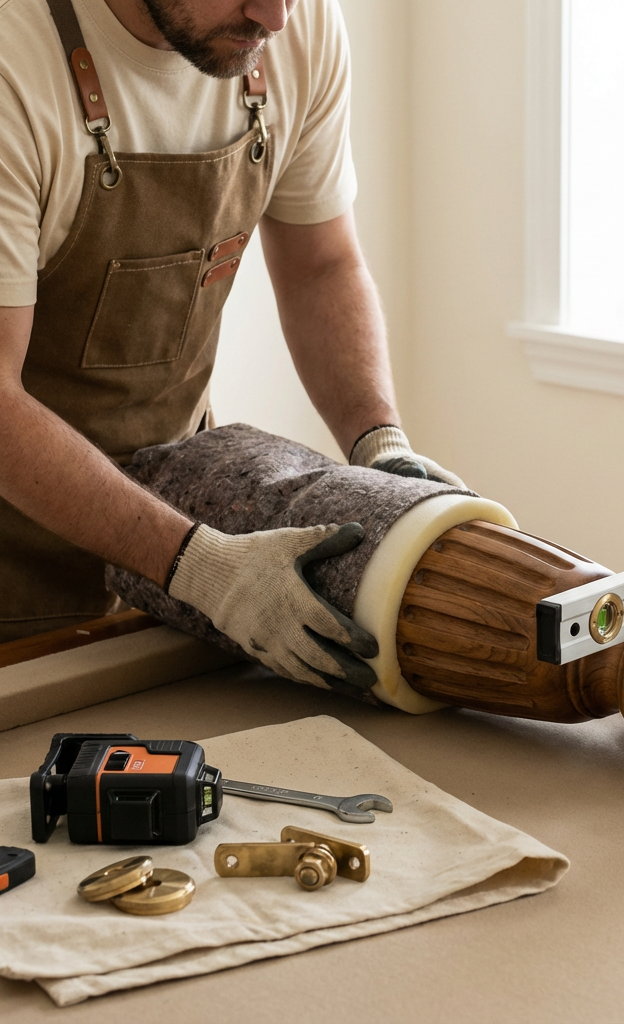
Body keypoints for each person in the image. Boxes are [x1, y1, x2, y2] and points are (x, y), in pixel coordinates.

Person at [0, 0, 461, 691]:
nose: (275, 18)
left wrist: (380, 444)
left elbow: (320, 267)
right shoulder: (14, 63)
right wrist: (202, 569)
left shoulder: (299, 26)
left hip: (178, 542)